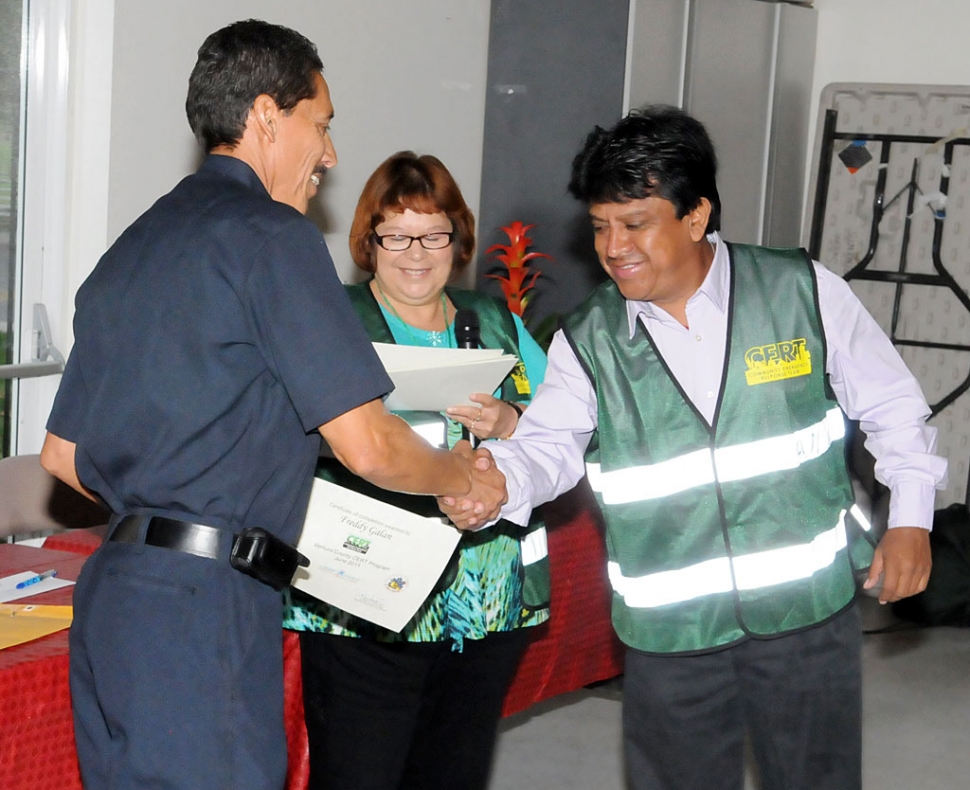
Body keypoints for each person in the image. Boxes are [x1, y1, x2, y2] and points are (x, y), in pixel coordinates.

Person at [39, 21, 503, 790]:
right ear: (265, 116)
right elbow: (371, 446)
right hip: (206, 611)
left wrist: (185, 492)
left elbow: (63, 460)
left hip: (116, 600)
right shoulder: (272, 238)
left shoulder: (130, 249)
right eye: (320, 126)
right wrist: (461, 476)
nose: (327, 154)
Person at [441, 105, 949, 790]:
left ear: (696, 214)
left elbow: (893, 406)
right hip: (670, 638)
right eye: (600, 227)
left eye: (635, 223)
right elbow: (546, 447)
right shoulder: (591, 340)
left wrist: (912, 520)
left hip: (805, 619)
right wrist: (500, 483)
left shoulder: (799, 292)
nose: (613, 247)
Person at [283, 150, 549, 790]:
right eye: (396, 234)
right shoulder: (330, 322)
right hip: (362, 599)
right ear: (367, 243)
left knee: (454, 775)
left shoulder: (497, 322)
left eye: (434, 234)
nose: (415, 252)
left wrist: (511, 422)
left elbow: (565, 436)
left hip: (486, 607)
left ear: (457, 241)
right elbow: (284, 432)